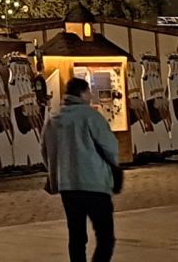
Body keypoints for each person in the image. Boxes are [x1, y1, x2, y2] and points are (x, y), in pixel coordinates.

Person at [42, 77, 120, 262]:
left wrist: (56, 172)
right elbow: (110, 147)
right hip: (95, 184)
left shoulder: (53, 119)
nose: (91, 96)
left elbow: (45, 150)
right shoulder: (91, 116)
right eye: (88, 92)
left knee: (76, 236)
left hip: (68, 185)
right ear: (83, 93)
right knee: (105, 237)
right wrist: (112, 168)